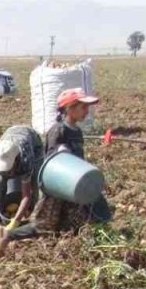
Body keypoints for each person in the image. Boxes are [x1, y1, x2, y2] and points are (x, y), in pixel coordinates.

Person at [42, 88, 112, 224]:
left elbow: (79, 161)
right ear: (69, 108)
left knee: (97, 215)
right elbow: (51, 164)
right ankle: (9, 234)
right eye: (83, 107)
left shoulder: (77, 132)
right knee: (44, 228)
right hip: (59, 188)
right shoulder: (58, 131)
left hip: (76, 184)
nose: (87, 111)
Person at [0, 126, 42, 242]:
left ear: (16, 161)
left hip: (33, 142)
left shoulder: (25, 158)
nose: (7, 172)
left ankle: (34, 218)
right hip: (10, 134)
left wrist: (16, 220)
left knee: (36, 183)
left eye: (8, 170)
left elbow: (26, 195)